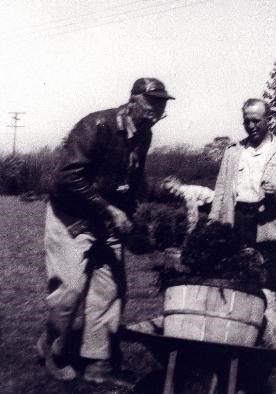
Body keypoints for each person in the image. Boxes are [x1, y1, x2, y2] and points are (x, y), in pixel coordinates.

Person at [37, 78, 175, 385]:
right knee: (69, 291)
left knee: (110, 291)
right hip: (71, 217)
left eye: (162, 105)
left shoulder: (143, 134)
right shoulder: (95, 125)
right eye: (152, 102)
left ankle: (98, 363)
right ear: (133, 100)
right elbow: (66, 180)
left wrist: (135, 208)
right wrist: (109, 208)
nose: (157, 110)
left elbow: (130, 179)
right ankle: (53, 349)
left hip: (107, 222)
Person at [209, 98, 276, 292]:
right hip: (237, 218)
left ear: (267, 119)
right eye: (246, 121)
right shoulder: (233, 151)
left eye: (256, 121)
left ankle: (268, 317)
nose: (251, 126)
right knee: (236, 272)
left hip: (267, 221)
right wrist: (213, 219)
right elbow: (221, 189)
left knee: (266, 276)